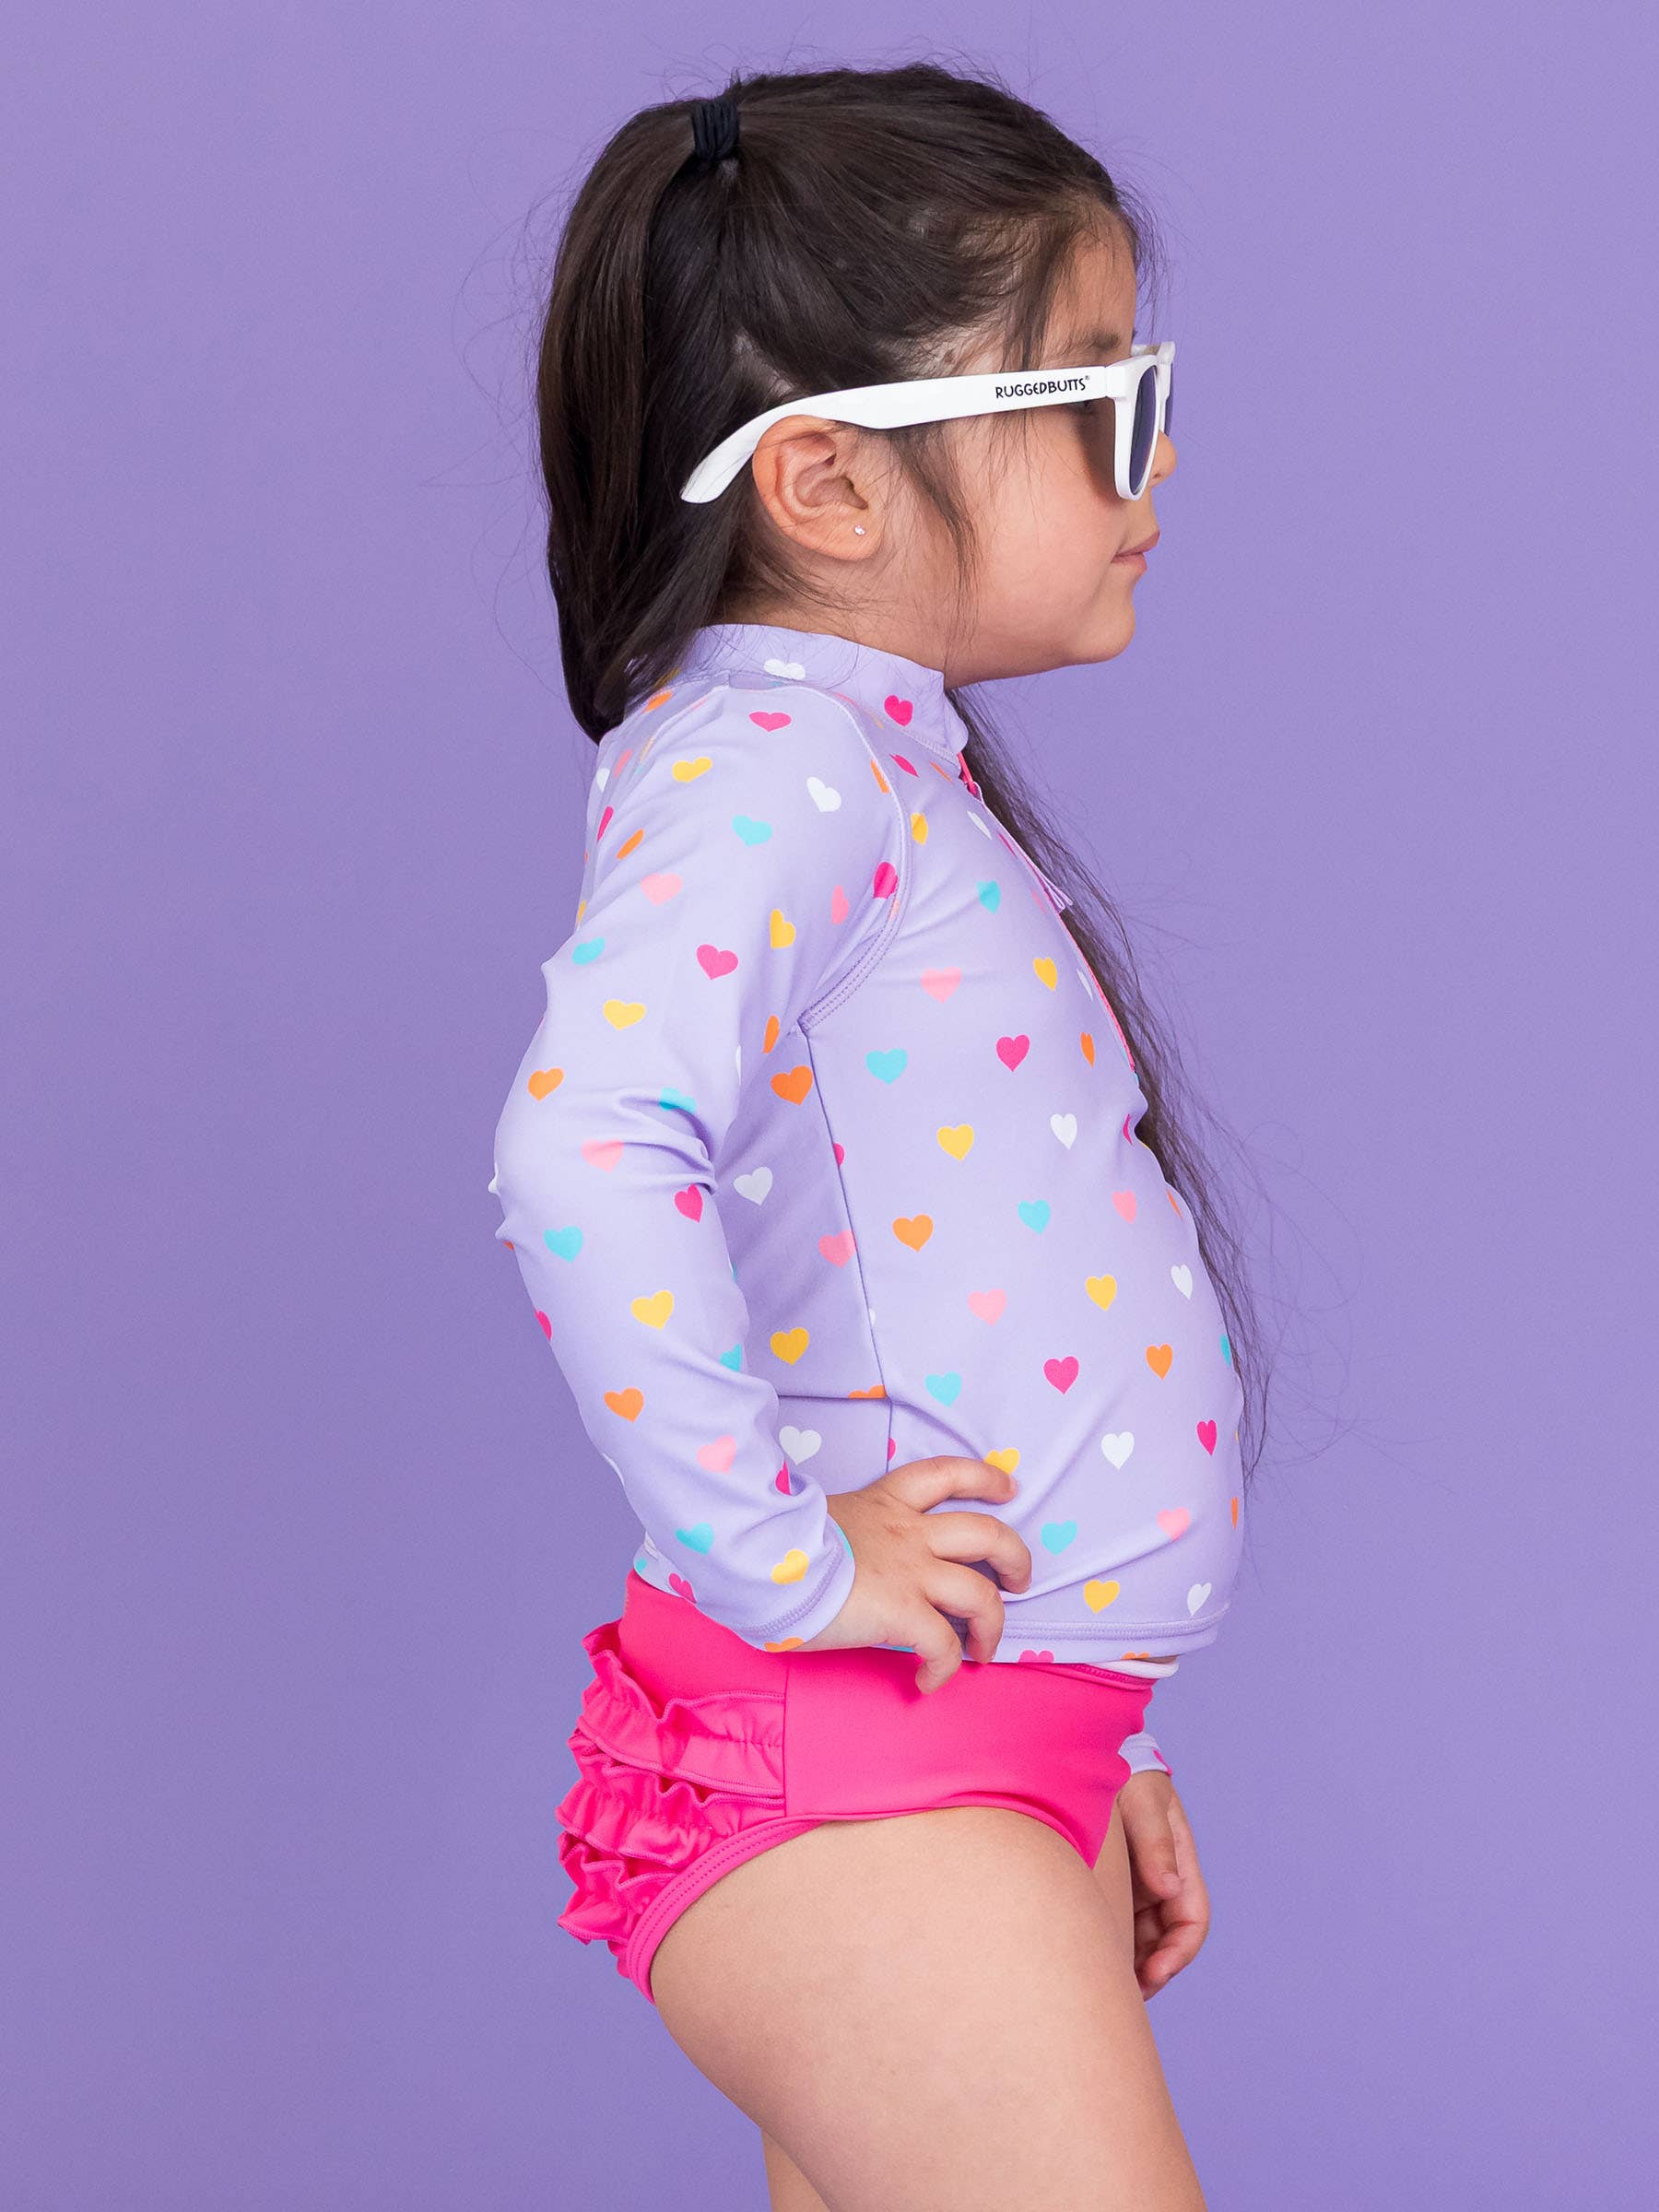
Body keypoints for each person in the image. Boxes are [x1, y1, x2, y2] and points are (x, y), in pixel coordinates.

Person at [488, 60, 1266, 2212]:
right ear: (826, 481)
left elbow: (948, 1273)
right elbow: (581, 1147)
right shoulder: (776, 774)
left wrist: (1096, 1712)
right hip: (866, 1774)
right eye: (1097, 400)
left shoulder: (860, 764)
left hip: (970, 1740)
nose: (1155, 460)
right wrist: (789, 1563)